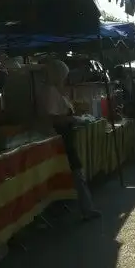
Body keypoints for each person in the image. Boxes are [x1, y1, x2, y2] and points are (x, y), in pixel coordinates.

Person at [39, 59, 100, 220]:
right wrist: (74, 120)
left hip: (63, 136)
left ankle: (85, 207)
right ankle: (87, 208)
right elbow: (54, 119)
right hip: (60, 138)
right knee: (76, 171)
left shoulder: (54, 91)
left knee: (74, 172)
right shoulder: (50, 92)